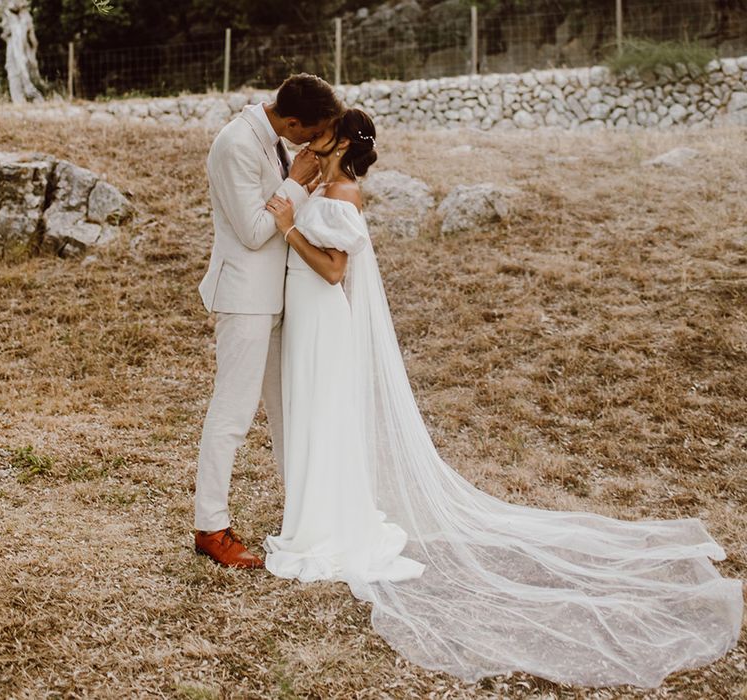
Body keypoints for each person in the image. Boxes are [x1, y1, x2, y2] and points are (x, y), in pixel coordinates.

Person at [263, 108, 743, 688]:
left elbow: (336, 272)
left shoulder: (344, 193)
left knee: (326, 417)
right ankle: (318, 516)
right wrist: (301, 186)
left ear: (339, 140)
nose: (310, 138)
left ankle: (329, 526)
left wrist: (291, 224)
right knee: (317, 417)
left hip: (324, 316)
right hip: (308, 320)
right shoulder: (324, 183)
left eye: (321, 132)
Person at [194, 73, 343, 568]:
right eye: (312, 131)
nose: (313, 142)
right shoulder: (235, 144)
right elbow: (256, 230)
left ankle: (302, 516)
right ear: (293, 120)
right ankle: (211, 526)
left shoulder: (275, 137)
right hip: (244, 299)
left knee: (289, 413)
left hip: (281, 298)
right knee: (232, 416)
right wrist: (296, 184)